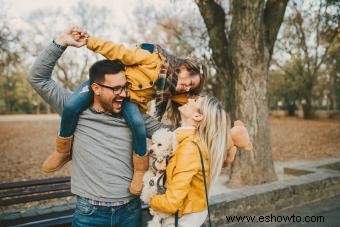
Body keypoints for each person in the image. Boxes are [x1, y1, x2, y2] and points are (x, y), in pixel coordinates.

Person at [41, 27, 207, 195]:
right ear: (184, 68)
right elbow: (119, 52)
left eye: (190, 89)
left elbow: (197, 105)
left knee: (137, 124)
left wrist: (215, 118)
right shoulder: (151, 61)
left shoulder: (173, 91)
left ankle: (140, 170)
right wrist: (90, 42)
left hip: (129, 102)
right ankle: (62, 151)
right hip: (108, 87)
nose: (186, 89)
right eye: (189, 83)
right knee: (70, 106)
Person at [28, 28, 168, 226]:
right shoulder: (74, 107)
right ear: (96, 88)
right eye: (116, 89)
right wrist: (60, 42)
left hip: (130, 211)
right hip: (89, 214)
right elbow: (37, 78)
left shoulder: (135, 115)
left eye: (125, 86)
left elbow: (169, 134)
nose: (124, 94)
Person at [149, 95, 229, 227]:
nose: (190, 99)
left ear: (197, 117)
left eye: (196, 101)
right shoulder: (188, 142)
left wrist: (151, 199)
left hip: (181, 222)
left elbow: (171, 203)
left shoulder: (189, 148)